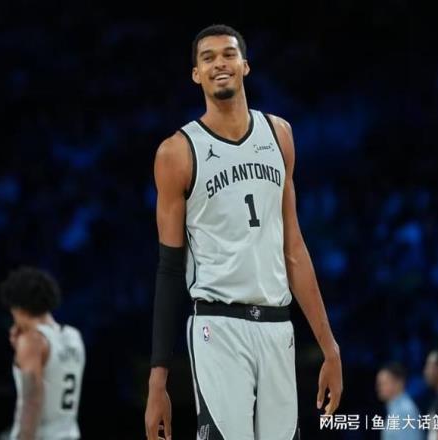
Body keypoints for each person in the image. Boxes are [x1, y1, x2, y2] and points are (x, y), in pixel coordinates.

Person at [144, 24, 343, 440]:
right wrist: (157, 380)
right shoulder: (176, 152)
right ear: (196, 74)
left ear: (245, 65)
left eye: (228, 54)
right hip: (217, 326)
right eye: (208, 58)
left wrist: (330, 347)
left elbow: (294, 248)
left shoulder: (279, 135)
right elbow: (169, 269)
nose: (219, 63)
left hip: (278, 326)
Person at [0, 266, 86, 440]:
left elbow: (32, 401)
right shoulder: (74, 336)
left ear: (18, 308)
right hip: (69, 433)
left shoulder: (32, 341)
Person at [376, 362, 423, 440]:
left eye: (384, 383)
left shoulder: (404, 410)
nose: (379, 388)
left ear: (399, 383)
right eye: (379, 384)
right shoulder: (394, 409)